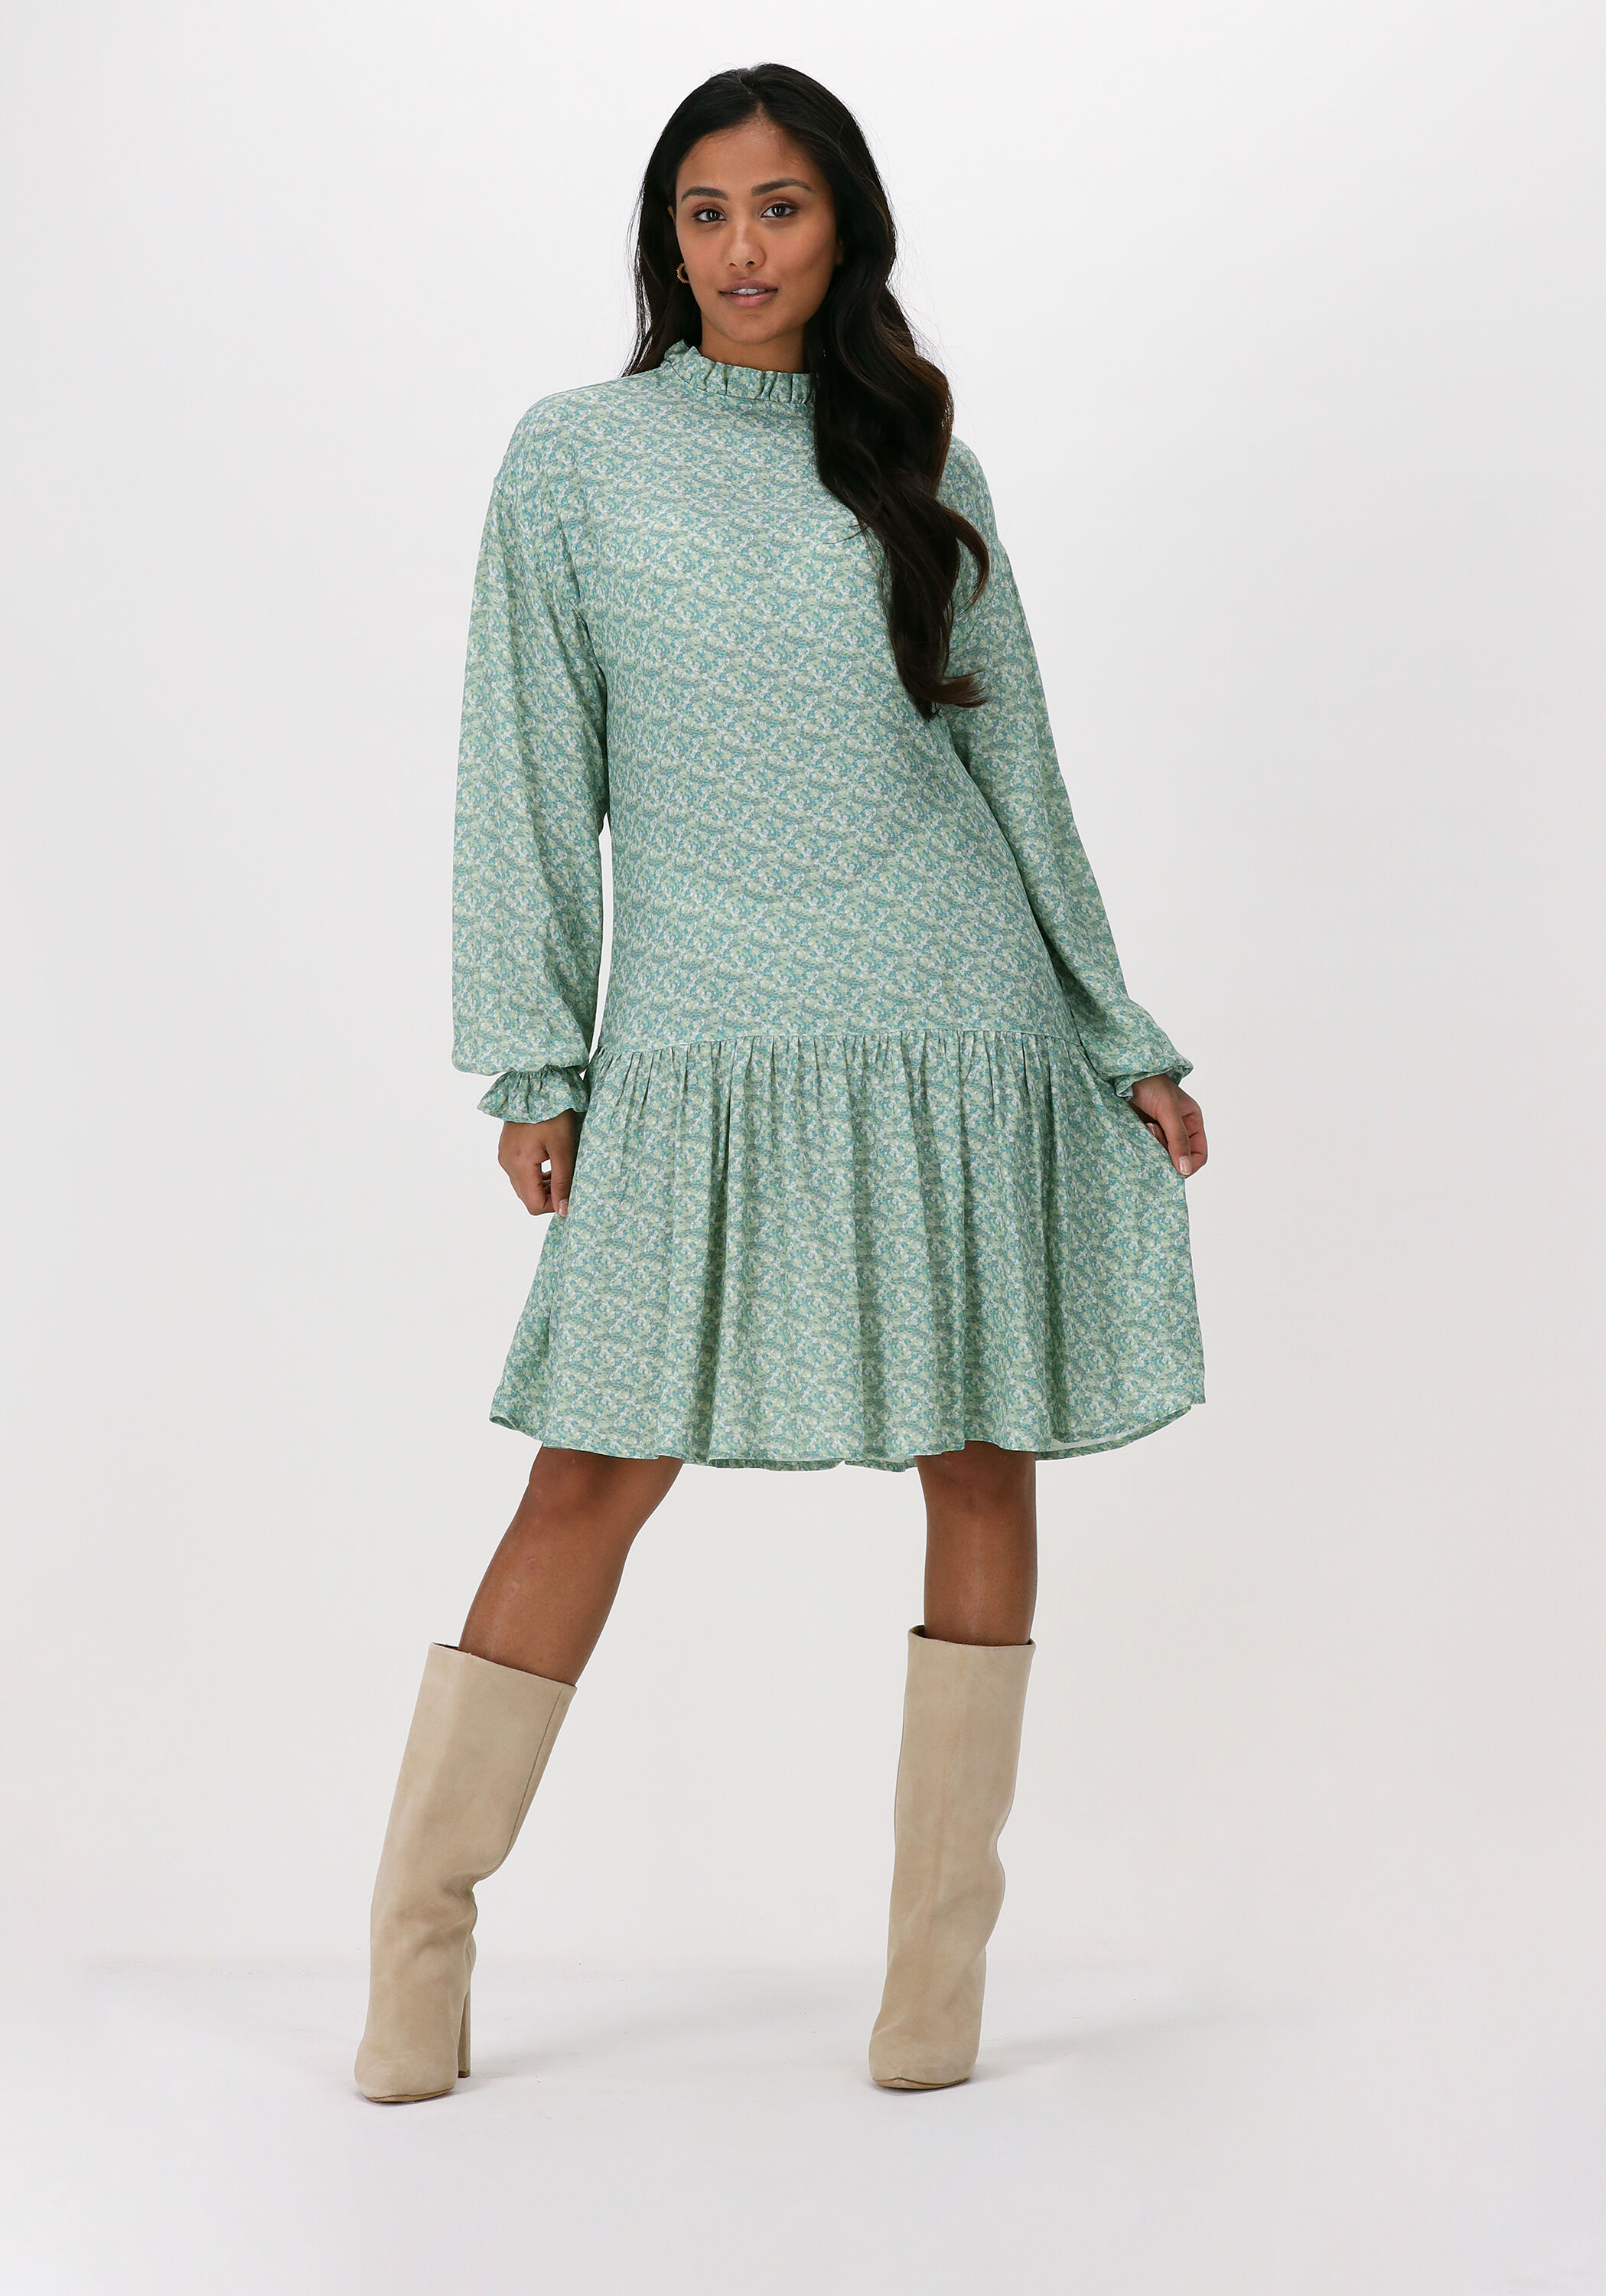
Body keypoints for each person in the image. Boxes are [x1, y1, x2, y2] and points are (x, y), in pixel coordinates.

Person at [354, 61, 1207, 2106]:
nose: (743, 248)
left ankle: (933, 1995)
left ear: (845, 229)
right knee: (587, 1472)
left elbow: (1012, 756)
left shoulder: (919, 456)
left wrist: (1113, 1027)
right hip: (701, 1039)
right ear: (667, 237)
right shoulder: (574, 460)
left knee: (978, 1456)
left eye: (784, 207)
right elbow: (524, 763)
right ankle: (414, 1961)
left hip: (948, 1007)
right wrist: (537, 1056)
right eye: (708, 211)